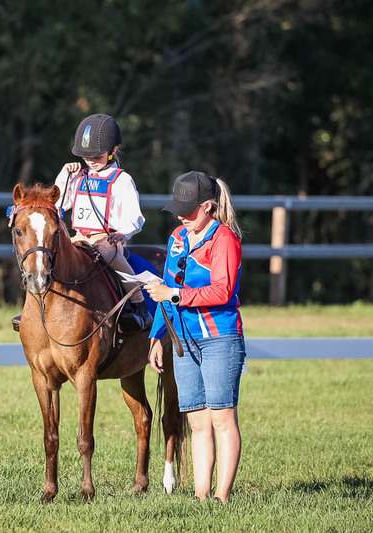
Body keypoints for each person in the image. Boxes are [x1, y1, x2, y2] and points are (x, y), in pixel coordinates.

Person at [144, 171, 246, 503]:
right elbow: (163, 291)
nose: (181, 216)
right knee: (198, 422)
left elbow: (222, 290)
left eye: (188, 211)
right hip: (183, 342)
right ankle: (202, 499)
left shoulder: (225, 240)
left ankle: (222, 497)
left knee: (222, 419)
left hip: (220, 339)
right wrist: (157, 337)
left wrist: (175, 295)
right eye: (178, 210)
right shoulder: (176, 238)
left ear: (208, 207)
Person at [54, 113, 151, 332]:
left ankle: (139, 305)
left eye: (96, 157)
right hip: (78, 236)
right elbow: (59, 204)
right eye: (86, 157)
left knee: (107, 254)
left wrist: (124, 234)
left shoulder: (122, 181)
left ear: (112, 151)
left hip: (107, 238)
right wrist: (64, 175)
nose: (90, 161)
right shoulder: (78, 176)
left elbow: (136, 217)